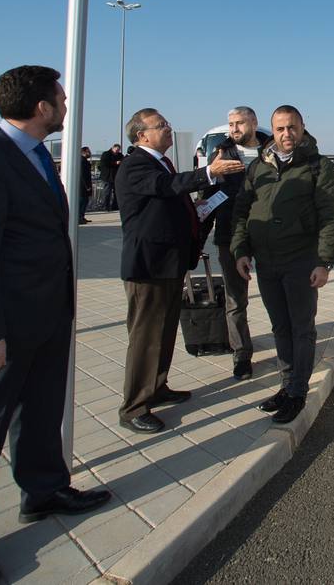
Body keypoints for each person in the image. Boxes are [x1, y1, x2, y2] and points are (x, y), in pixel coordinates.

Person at [0, 65, 109, 585]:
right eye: (61, 98)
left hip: (46, 317)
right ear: (40, 108)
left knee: (41, 409)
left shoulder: (33, 157)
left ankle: (44, 488)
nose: (66, 106)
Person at [115, 108, 232, 433]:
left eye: (167, 124)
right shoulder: (136, 164)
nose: (169, 129)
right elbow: (166, 186)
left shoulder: (160, 162)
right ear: (142, 135)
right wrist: (208, 172)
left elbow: (169, 196)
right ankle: (134, 406)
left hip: (168, 264)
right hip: (148, 268)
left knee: (164, 332)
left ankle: (158, 386)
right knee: (146, 337)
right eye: (161, 125)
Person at [232, 105, 334, 424]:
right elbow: (241, 211)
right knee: (280, 328)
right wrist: (241, 250)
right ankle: (286, 385)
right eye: (280, 129)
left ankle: (297, 392)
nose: (286, 134)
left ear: (302, 127)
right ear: (272, 131)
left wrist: (324, 262)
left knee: (302, 329)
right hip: (267, 265)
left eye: (292, 127)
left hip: (300, 262)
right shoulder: (258, 168)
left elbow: (332, 217)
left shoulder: (318, 166)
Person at [208, 107, 271, 381]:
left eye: (239, 123)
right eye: (231, 124)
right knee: (236, 300)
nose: (233, 129)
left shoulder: (272, 152)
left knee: (277, 295)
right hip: (229, 235)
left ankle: (289, 346)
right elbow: (208, 194)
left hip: (269, 235)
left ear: (254, 123)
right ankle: (242, 355)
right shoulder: (221, 154)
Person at [98, 143, 123, 211]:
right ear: (113, 148)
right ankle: (105, 206)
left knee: (117, 193)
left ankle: (115, 206)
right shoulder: (106, 154)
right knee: (107, 192)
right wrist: (115, 163)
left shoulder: (120, 155)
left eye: (118, 150)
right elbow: (104, 164)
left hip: (116, 177)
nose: (117, 151)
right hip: (107, 177)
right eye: (116, 150)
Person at [78, 146, 93, 225]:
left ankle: (81, 216)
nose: (89, 153)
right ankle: (79, 217)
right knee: (82, 202)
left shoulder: (84, 161)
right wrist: (87, 186)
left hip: (84, 186)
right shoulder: (82, 161)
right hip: (83, 186)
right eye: (88, 151)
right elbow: (83, 175)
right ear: (83, 152)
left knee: (85, 201)